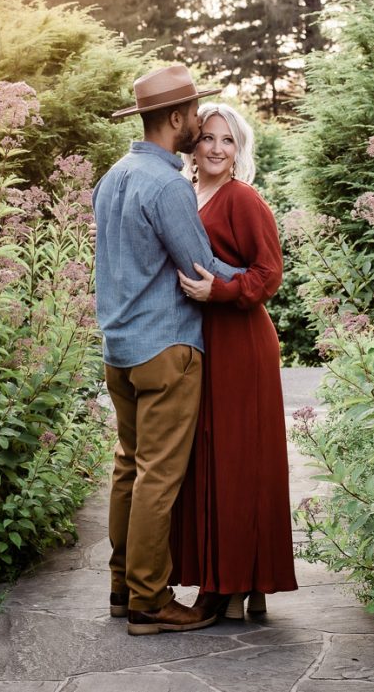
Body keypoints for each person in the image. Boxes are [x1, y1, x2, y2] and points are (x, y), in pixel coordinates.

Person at [93, 65, 245, 636]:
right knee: (158, 477)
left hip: (119, 350)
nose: (197, 130)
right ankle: (150, 601)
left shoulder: (113, 176)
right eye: (194, 119)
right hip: (168, 349)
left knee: (129, 469)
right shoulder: (167, 186)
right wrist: (253, 279)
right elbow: (199, 265)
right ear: (178, 119)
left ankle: (120, 586)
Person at [170, 103, 298, 618]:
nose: (217, 148)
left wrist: (219, 292)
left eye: (228, 140)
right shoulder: (188, 194)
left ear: (239, 148)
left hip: (241, 340)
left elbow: (269, 275)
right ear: (194, 146)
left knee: (239, 459)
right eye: (208, 139)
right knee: (213, 458)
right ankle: (244, 576)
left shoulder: (244, 200)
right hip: (207, 339)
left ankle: (225, 588)